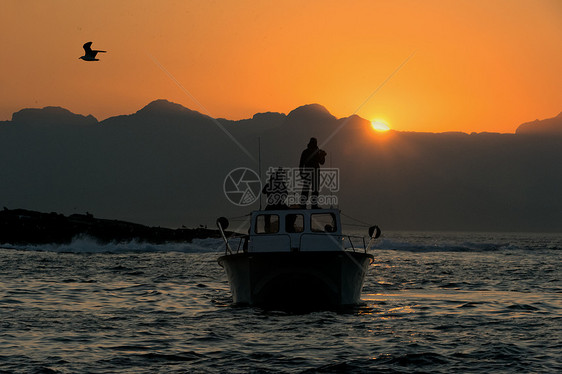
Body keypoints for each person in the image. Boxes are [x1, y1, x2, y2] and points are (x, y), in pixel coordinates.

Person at [299, 137, 327, 209]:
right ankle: (312, 205)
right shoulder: (316, 152)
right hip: (313, 173)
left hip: (310, 173)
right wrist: (322, 155)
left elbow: (301, 164)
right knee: (312, 190)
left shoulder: (307, 152)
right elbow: (322, 162)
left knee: (308, 189)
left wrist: (301, 173)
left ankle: (304, 205)